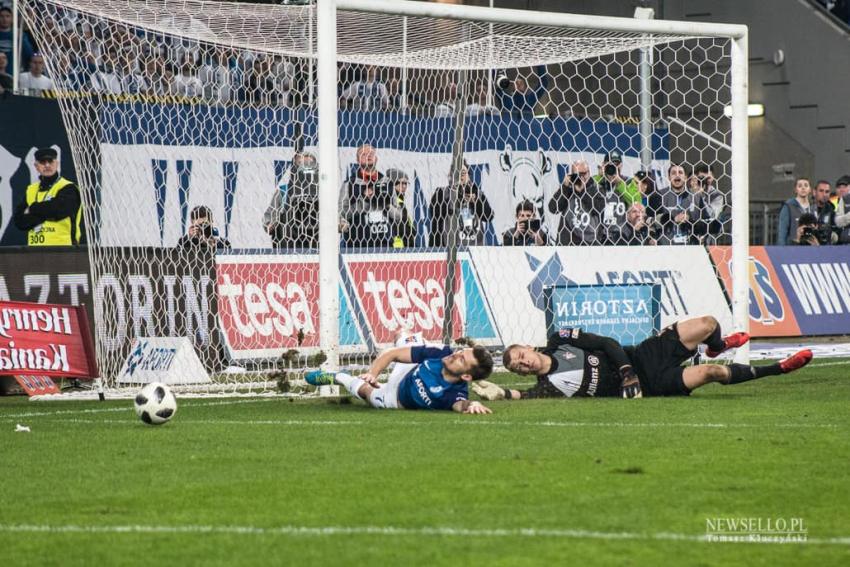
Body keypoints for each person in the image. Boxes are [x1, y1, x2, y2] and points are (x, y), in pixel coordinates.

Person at [475, 316, 812, 401]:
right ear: (521, 373)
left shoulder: (559, 339)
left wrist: (625, 371)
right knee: (711, 373)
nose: (523, 362)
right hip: (651, 386)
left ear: (528, 347)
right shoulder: (548, 387)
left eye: (520, 355)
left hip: (641, 357)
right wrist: (501, 393)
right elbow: (526, 396)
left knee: (708, 324)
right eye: (518, 367)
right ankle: (778, 369)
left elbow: (606, 342)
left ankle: (717, 343)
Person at [305, 335, 494, 414]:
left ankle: (337, 376)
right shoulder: (441, 352)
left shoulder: (453, 393)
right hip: (405, 373)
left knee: (365, 392)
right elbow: (392, 354)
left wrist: (473, 404)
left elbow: (461, 405)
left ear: (467, 377)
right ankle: (403, 331)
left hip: (394, 400)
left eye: (462, 360)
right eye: (461, 351)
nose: (456, 354)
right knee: (406, 337)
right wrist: (373, 374)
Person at [13, 147, 83, 246]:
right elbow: (19, 221)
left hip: (64, 250)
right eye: (42, 162)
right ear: (36, 166)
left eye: (50, 161)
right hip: (34, 250)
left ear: (57, 164)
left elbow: (59, 210)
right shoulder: (31, 190)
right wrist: (47, 213)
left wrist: (32, 209)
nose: (47, 165)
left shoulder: (68, 187)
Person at [429, 161, 494, 247]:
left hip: (475, 249)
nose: (460, 176)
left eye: (463, 173)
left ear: (469, 176)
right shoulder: (442, 192)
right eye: (457, 172)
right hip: (448, 249)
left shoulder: (476, 193)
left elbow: (488, 216)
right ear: (450, 175)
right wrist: (456, 193)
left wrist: (475, 201)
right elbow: (435, 212)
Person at [263, 152, 319, 248]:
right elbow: (270, 215)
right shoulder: (284, 191)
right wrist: (270, 223)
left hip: (317, 243)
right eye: (302, 165)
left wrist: (340, 223)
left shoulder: (324, 193)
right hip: (289, 243)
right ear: (294, 169)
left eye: (309, 165)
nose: (306, 168)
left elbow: (335, 214)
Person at [548, 159, 603, 245]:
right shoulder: (568, 189)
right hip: (567, 244)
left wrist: (582, 192)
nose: (581, 178)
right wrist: (565, 187)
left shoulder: (597, 188)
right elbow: (553, 208)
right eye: (577, 174)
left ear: (589, 172)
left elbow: (600, 209)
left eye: (583, 174)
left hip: (590, 245)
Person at [656, 164, 710, 245]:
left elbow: (706, 221)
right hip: (666, 248)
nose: (677, 175)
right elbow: (651, 220)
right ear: (669, 177)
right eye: (673, 173)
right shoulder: (659, 195)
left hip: (690, 247)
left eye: (680, 172)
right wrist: (673, 219)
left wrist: (691, 222)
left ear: (685, 177)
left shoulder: (696, 197)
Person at [384, 168, 416, 248]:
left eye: (406, 183)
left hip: (403, 246)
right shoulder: (389, 201)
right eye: (402, 183)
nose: (405, 186)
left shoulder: (400, 202)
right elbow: (400, 227)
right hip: (396, 247)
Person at [777, 177, 813, 245]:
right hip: (792, 248)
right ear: (795, 190)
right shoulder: (788, 207)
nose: (803, 188)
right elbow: (782, 232)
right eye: (800, 186)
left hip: (809, 248)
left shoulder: (813, 207)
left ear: (810, 189)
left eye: (806, 185)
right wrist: (781, 250)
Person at [0, 7, 34, 75]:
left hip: (14, 74)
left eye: (7, 16)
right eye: (1, 16)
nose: (4, 19)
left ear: (12, 18)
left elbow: (29, 54)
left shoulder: (19, 34)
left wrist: (22, 39)